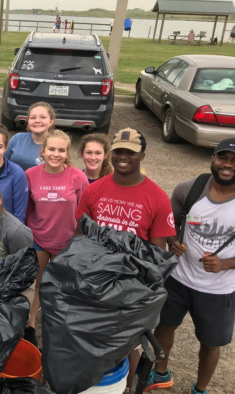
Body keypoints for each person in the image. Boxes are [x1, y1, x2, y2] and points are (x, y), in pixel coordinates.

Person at [75, 127, 176, 390]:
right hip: (95, 281)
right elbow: (80, 238)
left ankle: (125, 386)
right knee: (91, 336)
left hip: (132, 287)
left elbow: (157, 257)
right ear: (111, 154)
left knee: (129, 344)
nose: (123, 157)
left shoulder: (158, 198)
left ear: (142, 155)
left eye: (130, 152)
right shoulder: (93, 190)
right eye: (118, 151)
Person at [145, 138, 235, 394]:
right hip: (178, 278)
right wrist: (173, 242)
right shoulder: (191, 189)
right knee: (164, 328)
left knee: (210, 343)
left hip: (220, 289)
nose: (228, 165)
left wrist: (225, 263)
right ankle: (161, 374)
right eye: (223, 158)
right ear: (213, 159)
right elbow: (167, 223)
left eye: (234, 161)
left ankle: (200, 389)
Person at [24, 129, 88, 342]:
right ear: (43, 150)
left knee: (62, 287)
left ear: (67, 153)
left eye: (61, 150)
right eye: (51, 149)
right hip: (39, 238)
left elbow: (84, 212)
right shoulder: (31, 175)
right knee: (37, 282)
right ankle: (30, 325)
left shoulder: (78, 177)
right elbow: (27, 208)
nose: (56, 154)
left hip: (67, 243)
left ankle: (58, 327)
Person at [4, 102, 55, 171]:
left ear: (51, 122)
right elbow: (2, 163)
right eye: (33, 118)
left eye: (43, 117)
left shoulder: (57, 144)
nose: (37, 121)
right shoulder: (17, 138)